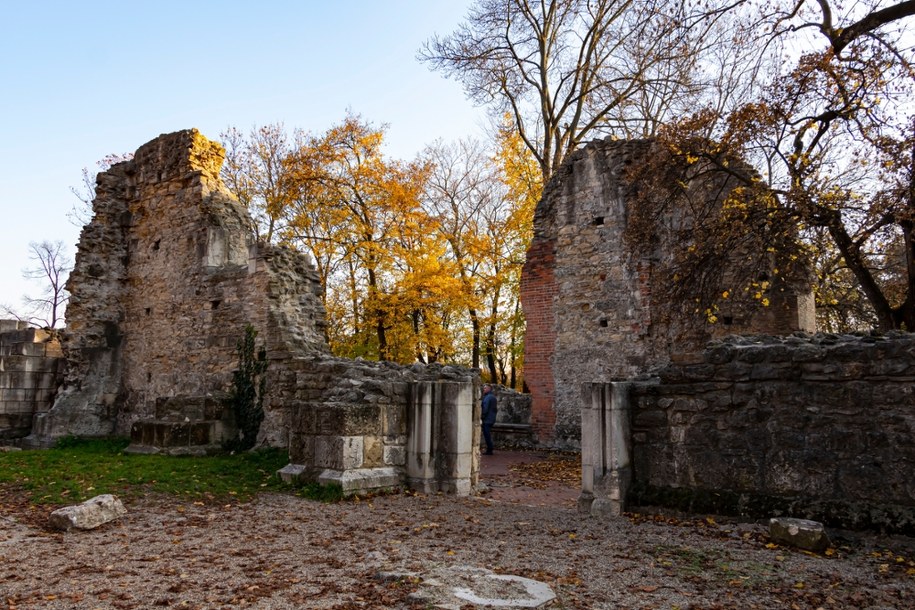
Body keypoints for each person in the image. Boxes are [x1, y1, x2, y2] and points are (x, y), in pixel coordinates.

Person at [481, 383, 497, 455]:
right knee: (487, 434)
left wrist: (482, 417)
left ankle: (489, 449)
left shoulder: (488, 397)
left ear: (489, 389)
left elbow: (485, 408)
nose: (483, 389)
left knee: (487, 434)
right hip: (492, 418)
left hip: (487, 419)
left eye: (485, 388)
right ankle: (490, 448)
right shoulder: (493, 397)